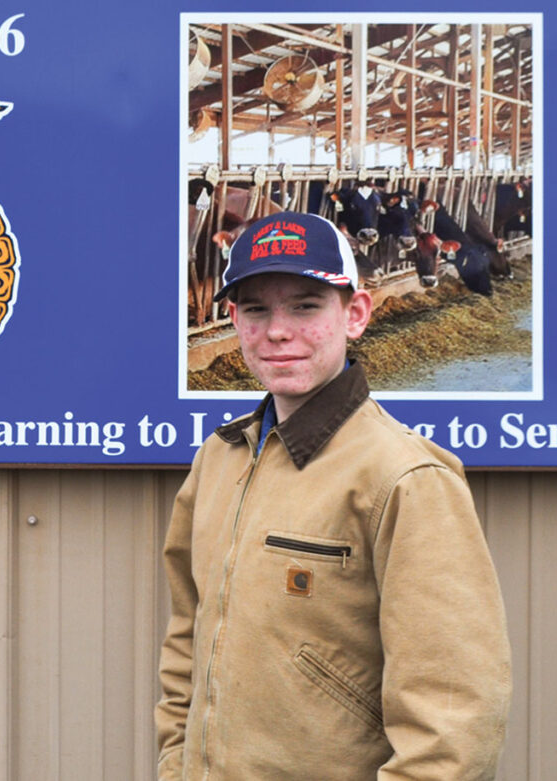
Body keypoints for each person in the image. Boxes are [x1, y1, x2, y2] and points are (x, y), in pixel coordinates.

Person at [156, 212, 511, 780]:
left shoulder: (405, 478)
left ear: (356, 315)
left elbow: (451, 718)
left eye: (305, 306)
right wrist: (176, 764)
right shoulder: (219, 462)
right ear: (234, 320)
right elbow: (185, 644)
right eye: (256, 309)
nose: (277, 330)